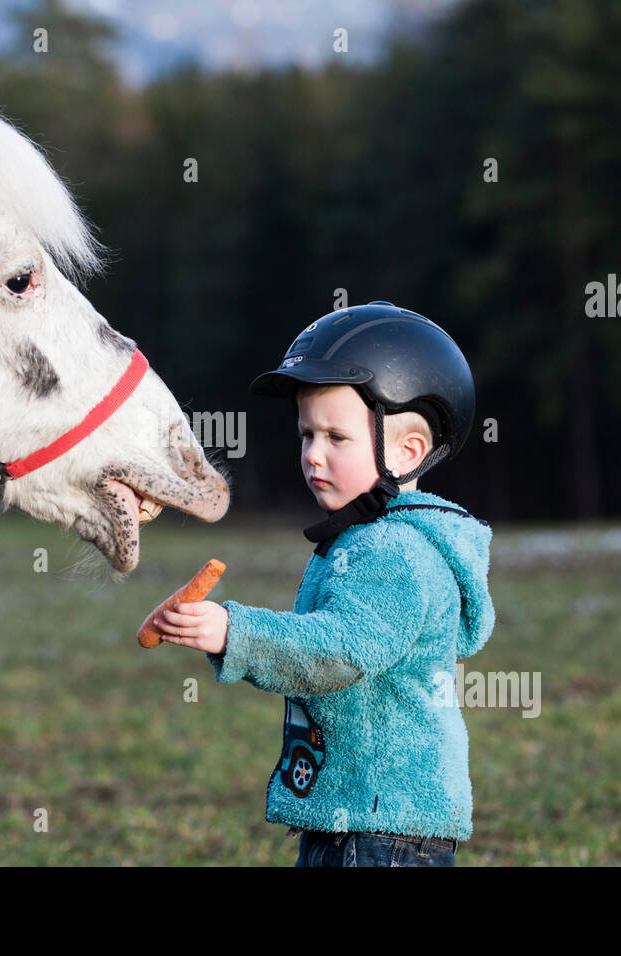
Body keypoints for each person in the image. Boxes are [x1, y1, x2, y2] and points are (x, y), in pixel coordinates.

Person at [153, 301, 496, 867]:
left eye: (337, 437)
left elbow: (337, 652)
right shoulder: (364, 538)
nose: (313, 455)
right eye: (306, 434)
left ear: (406, 451)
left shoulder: (396, 551)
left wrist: (233, 632)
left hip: (382, 834)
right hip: (357, 823)